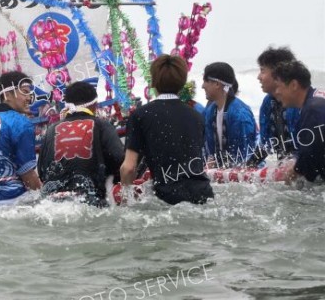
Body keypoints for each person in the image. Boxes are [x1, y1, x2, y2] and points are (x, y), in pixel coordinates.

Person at [120, 55, 214, 205]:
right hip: (203, 194)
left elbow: (128, 168)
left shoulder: (141, 115)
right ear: (183, 82)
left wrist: (125, 199)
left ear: (153, 81)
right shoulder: (197, 116)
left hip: (167, 198)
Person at [37, 81, 124, 207]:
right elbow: (119, 159)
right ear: (94, 105)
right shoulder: (102, 125)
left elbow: (41, 171)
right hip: (91, 204)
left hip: (52, 205)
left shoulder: (51, 130)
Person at [0, 71, 42, 206]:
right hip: (10, 198)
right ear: (8, 94)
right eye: (24, 92)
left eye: (29, 93)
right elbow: (27, 174)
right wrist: (43, 196)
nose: (29, 98)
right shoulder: (21, 123)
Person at [273, 61, 325, 183]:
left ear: (294, 85)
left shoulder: (313, 109)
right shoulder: (316, 99)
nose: (276, 92)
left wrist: (294, 172)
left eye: (278, 86)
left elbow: (311, 152)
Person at [202, 62, 257, 167]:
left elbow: (245, 157)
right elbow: (210, 152)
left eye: (206, 81)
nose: (202, 86)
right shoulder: (210, 111)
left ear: (217, 84)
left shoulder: (240, 115)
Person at [257, 46, 300, 158]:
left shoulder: (298, 101)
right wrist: (247, 167)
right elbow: (265, 144)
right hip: (285, 165)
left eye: (262, 70)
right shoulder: (268, 101)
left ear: (278, 73)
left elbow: (307, 145)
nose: (258, 77)